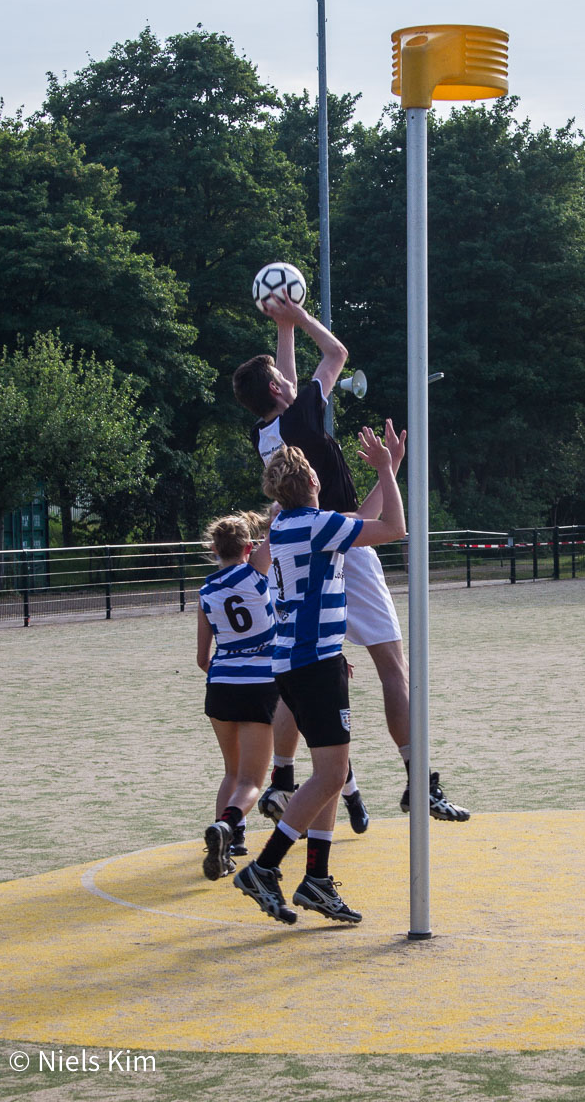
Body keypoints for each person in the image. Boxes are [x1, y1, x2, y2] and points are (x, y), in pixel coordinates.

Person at [232, 291, 470, 828]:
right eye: (282, 379)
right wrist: (301, 317)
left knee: (306, 668)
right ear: (276, 389)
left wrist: (283, 329)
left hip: (299, 545)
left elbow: (288, 377)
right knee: (393, 665)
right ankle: (419, 781)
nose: (291, 381)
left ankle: (283, 778)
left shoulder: (267, 433)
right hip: (340, 542)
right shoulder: (301, 418)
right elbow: (336, 353)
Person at [233, 428, 406, 924]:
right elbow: (391, 526)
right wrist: (383, 471)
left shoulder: (288, 524)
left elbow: (355, 520)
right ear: (312, 478)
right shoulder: (313, 525)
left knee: (332, 775)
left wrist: (388, 472)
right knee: (332, 775)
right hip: (313, 663)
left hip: (298, 661)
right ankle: (265, 868)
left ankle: (317, 880)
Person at [197, 511, 277, 880]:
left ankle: (229, 837)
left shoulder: (205, 593)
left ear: (213, 549)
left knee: (232, 770)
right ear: (249, 547)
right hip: (260, 685)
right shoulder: (255, 571)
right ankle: (228, 828)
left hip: (221, 684)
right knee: (252, 781)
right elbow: (278, 528)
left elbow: (202, 659)